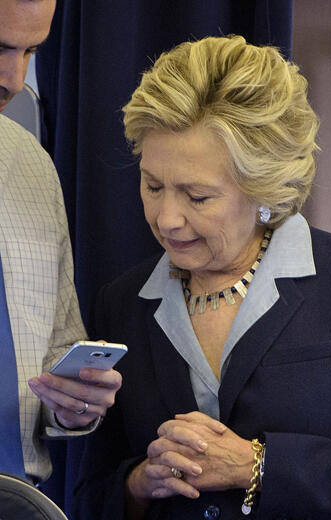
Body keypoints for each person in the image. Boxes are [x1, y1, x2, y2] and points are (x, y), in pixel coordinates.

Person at [72, 35, 331, 520]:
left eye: (197, 196)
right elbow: (87, 495)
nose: (166, 218)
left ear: (265, 188)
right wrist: (141, 482)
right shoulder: (122, 302)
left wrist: (256, 465)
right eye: (152, 185)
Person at [0, 0, 121, 483]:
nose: (13, 79)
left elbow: (56, 349)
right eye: (0, 48)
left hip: (20, 499)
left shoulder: (31, 165)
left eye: (30, 51)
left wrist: (75, 403)